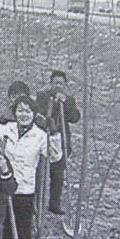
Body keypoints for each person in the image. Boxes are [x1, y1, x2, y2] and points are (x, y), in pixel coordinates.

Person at [0, 95, 62, 239]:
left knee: (23, 232)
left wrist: (54, 133)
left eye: (28, 111)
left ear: (34, 114)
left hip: (25, 190)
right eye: (20, 110)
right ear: (14, 112)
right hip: (5, 187)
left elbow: (55, 156)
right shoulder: (6, 129)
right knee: (6, 232)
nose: (24, 114)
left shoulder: (40, 135)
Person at [36, 71, 81, 214]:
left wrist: (65, 103)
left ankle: (54, 204)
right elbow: (39, 113)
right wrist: (54, 104)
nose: (58, 86)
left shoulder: (69, 100)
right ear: (51, 83)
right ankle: (37, 203)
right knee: (40, 173)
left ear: (65, 85)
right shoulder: (42, 96)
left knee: (58, 175)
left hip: (61, 141)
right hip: (44, 138)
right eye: (55, 83)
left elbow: (74, 118)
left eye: (61, 83)